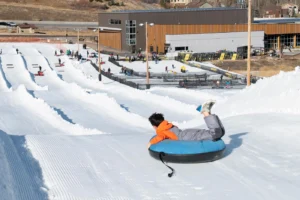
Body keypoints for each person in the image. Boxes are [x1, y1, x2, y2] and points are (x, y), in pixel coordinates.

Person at [147, 100, 225, 148]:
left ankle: (205, 111)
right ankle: (208, 112)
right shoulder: (167, 125)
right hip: (187, 133)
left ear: (154, 126)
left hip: (185, 137)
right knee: (220, 133)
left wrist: (150, 143)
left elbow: (160, 137)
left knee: (215, 134)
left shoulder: (161, 130)